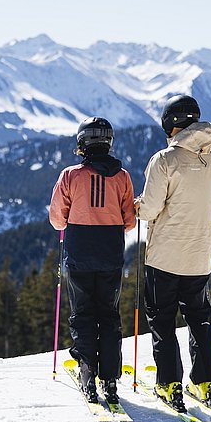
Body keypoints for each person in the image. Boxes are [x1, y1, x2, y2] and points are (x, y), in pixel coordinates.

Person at [134, 95, 211, 412]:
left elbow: (149, 210)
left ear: (170, 125)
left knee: (162, 320)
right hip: (199, 256)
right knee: (200, 320)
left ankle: (169, 384)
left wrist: (136, 206)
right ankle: (205, 384)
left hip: (164, 257)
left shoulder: (164, 160)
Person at [49, 116, 136, 404]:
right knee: (109, 316)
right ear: (108, 143)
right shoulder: (122, 176)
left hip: (80, 253)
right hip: (110, 253)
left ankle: (87, 372)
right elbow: (129, 222)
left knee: (83, 314)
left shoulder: (70, 176)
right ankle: (110, 379)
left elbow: (57, 219)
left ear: (82, 143)